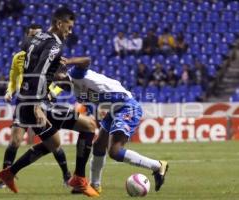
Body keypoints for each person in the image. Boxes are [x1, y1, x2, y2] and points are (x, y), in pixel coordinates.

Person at [0, 7, 99, 197]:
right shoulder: (54, 45)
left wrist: (56, 75)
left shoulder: (36, 38)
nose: (70, 32)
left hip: (27, 100)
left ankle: (9, 173)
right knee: (89, 126)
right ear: (59, 24)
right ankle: (79, 180)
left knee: (54, 142)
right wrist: (37, 105)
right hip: (36, 103)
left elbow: (34, 68)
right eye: (68, 28)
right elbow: (40, 72)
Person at [57, 56, 169, 194]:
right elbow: (93, 107)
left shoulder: (75, 74)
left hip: (127, 106)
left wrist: (68, 61)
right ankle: (95, 185)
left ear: (62, 73)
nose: (57, 85)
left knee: (114, 152)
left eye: (56, 80)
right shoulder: (76, 91)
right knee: (98, 145)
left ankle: (157, 166)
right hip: (113, 110)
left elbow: (86, 60)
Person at [0, 26, 71, 189]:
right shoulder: (18, 58)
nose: (37, 38)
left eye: (38, 35)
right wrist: (10, 91)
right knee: (14, 141)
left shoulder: (50, 54)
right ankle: (4, 178)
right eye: (33, 35)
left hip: (40, 100)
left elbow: (57, 80)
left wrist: (52, 93)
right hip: (23, 100)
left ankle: (67, 175)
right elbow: (14, 78)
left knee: (53, 143)